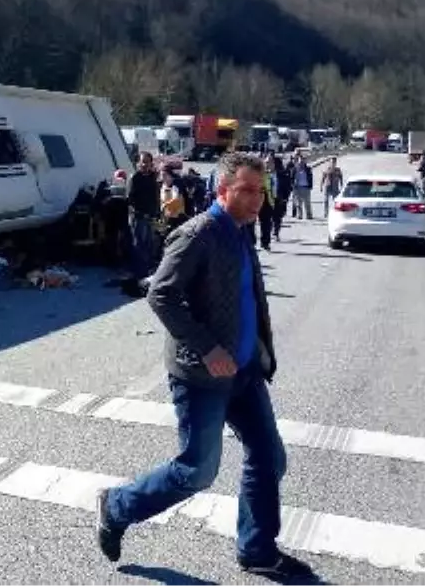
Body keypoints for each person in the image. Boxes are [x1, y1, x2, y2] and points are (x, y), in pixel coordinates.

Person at [95, 153, 311, 581]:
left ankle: (257, 549)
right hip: (202, 375)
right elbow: (160, 295)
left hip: (244, 371)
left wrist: (257, 351)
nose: (257, 199)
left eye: (261, 189)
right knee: (196, 471)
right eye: (247, 190)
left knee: (269, 458)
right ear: (222, 190)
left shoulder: (241, 232)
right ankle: (116, 506)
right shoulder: (198, 234)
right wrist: (209, 349)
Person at [290, 155, 314, 220]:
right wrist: (293, 185)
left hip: (306, 187)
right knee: (298, 203)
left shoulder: (308, 169)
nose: (301, 163)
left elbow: (311, 177)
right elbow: (291, 178)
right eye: (300, 161)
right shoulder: (294, 169)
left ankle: (309, 215)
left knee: (307, 203)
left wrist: (311, 186)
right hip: (297, 188)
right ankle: (299, 215)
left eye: (302, 161)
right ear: (298, 161)